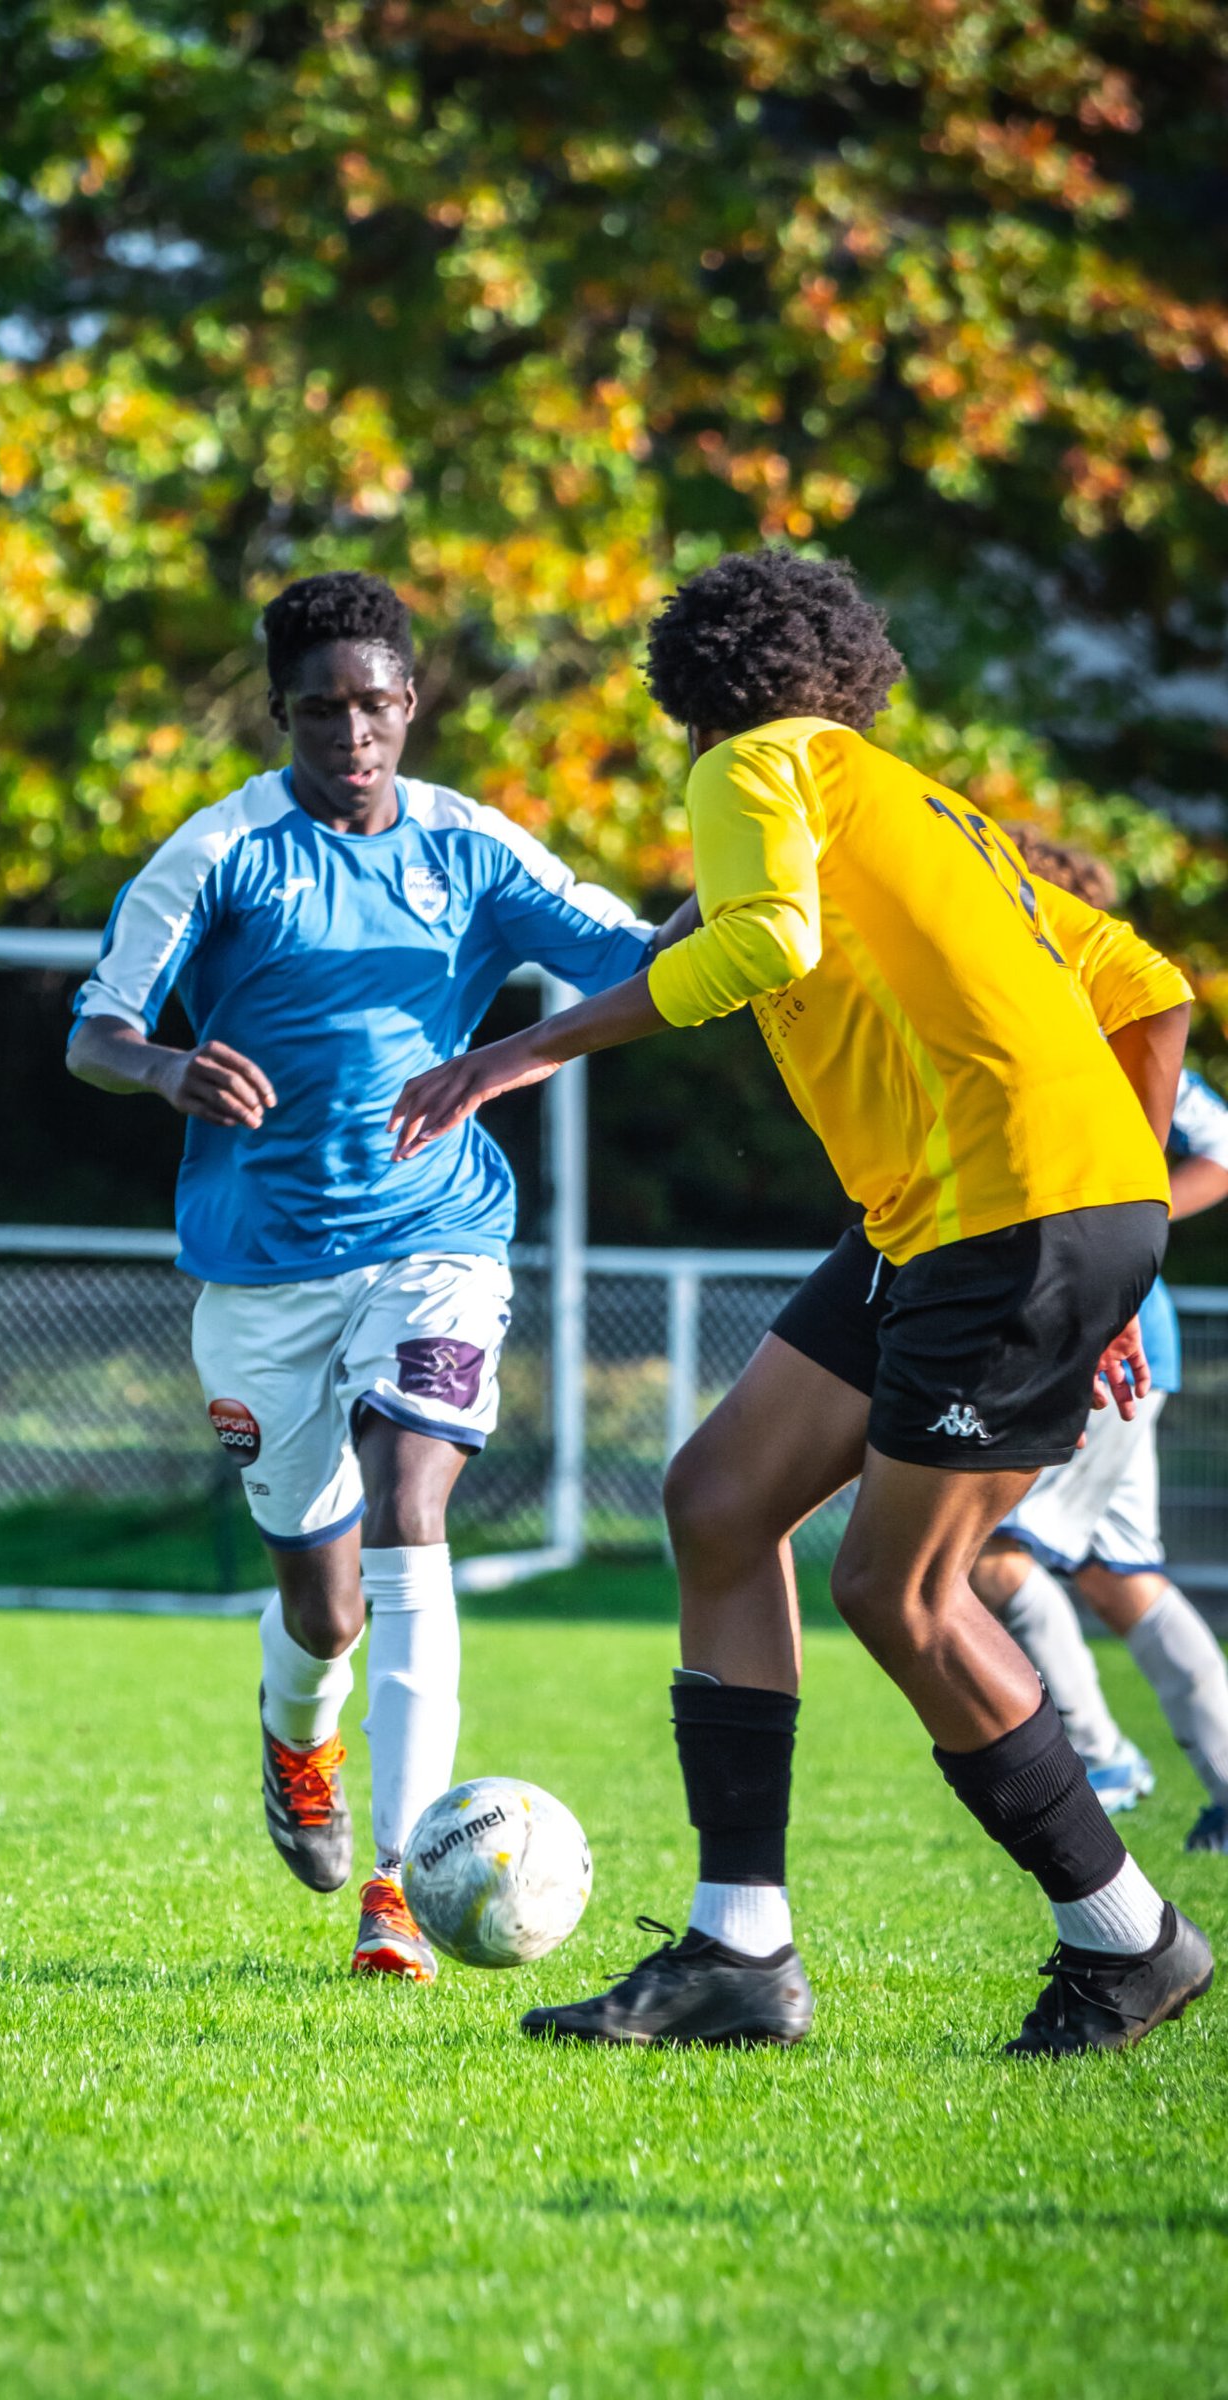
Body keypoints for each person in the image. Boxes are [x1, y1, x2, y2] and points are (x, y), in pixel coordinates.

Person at [391, 549, 1214, 2055]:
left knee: (900, 1593)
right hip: (968, 1221)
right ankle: (740, 1954)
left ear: (691, 695)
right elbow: (1151, 991)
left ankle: (1128, 1939)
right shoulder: (920, 805)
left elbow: (770, 939)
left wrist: (519, 1052)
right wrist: (1122, 1230)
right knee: (719, 1500)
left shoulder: (750, 765)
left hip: (1003, 1222)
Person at [68, 571, 686, 1982]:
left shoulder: (474, 846)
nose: (352, 732)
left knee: (413, 1507)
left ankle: (398, 1884)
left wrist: (750, 880)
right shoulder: (219, 853)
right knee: (324, 1605)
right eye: (321, 709)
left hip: (435, 1236)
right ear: (279, 712)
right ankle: (298, 1742)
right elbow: (96, 1030)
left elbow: (641, 964)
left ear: (411, 701)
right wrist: (166, 1068)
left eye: (375, 704)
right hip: (260, 1268)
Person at [968, 832, 1228, 1850]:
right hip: (1119, 1339)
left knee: (981, 1555)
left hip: (1101, 1339)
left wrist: (1121, 1223)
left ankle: (1099, 1756)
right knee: (1122, 1575)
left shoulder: (1091, 1022)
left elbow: (1218, 1150)